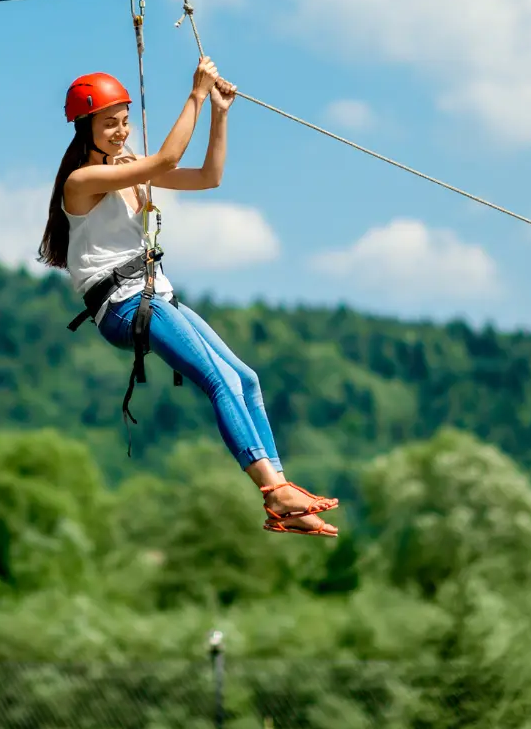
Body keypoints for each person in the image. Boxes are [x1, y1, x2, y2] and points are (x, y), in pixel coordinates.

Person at [38, 56, 338, 537]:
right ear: (84, 128)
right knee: (219, 380)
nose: (120, 131)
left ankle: (283, 494)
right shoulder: (82, 181)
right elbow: (166, 161)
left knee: (245, 379)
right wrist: (195, 94)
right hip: (124, 305)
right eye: (109, 124)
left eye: (124, 121)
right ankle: (273, 491)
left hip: (153, 295)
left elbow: (207, 177)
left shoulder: (128, 168)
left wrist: (218, 113)